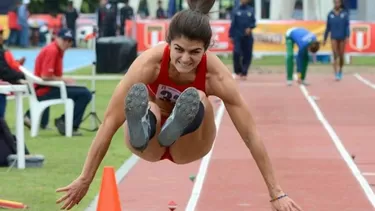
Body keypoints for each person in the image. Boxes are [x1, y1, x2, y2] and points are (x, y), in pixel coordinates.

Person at [56, 1, 303, 210]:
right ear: (168, 43)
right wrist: (85, 178)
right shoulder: (149, 64)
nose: (185, 59)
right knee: (147, 103)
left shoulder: (214, 75)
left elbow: (250, 133)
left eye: (195, 52)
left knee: (200, 98)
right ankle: (145, 123)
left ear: (207, 49)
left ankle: (177, 120)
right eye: (178, 50)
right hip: (148, 145)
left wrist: (276, 192)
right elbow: (110, 121)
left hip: (190, 146)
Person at [23, 28, 92, 136]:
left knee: (81, 91)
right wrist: (64, 80)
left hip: (45, 87)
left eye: (70, 41)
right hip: (45, 89)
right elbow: (45, 76)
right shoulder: (53, 51)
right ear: (57, 38)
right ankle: (67, 123)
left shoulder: (56, 50)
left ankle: (32, 116)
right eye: (65, 39)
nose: (67, 43)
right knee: (85, 94)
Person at [0, 25, 26, 118]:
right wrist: (21, 76)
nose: (1, 37)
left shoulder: (3, 50)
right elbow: (4, 71)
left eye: (1, 34)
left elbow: (5, 68)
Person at [323, 0, 350, 81]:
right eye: (335, 2)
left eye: (338, 3)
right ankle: (336, 73)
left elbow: (347, 26)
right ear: (333, 3)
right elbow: (327, 28)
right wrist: (325, 38)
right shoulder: (330, 14)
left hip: (342, 36)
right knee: (335, 54)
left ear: (341, 3)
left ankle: (340, 70)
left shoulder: (344, 13)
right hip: (334, 37)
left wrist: (347, 36)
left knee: (341, 55)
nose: (337, 4)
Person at [229, 0, 256, 80]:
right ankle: (237, 71)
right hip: (237, 36)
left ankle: (244, 72)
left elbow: (254, 22)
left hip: (248, 36)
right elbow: (232, 24)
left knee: (247, 55)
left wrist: (250, 28)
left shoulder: (251, 9)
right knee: (236, 53)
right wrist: (231, 35)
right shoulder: (235, 10)